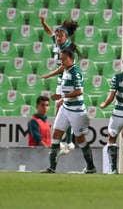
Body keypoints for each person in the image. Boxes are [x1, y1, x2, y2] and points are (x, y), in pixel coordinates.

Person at [40, 48, 96, 174]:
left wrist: (62, 96)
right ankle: (52, 167)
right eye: (61, 58)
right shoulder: (66, 70)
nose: (62, 61)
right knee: (55, 135)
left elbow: (79, 91)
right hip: (65, 108)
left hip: (77, 110)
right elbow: (61, 74)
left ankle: (91, 167)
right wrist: (62, 100)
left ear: (72, 59)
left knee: (80, 140)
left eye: (64, 59)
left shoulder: (75, 72)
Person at [39, 17, 80, 156]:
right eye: (57, 35)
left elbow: (64, 67)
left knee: (61, 109)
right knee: (62, 111)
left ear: (66, 37)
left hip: (68, 81)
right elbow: (49, 32)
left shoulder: (67, 49)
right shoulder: (56, 42)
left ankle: (66, 142)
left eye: (60, 35)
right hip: (61, 82)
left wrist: (49, 74)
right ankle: (68, 142)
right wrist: (44, 22)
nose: (57, 37)